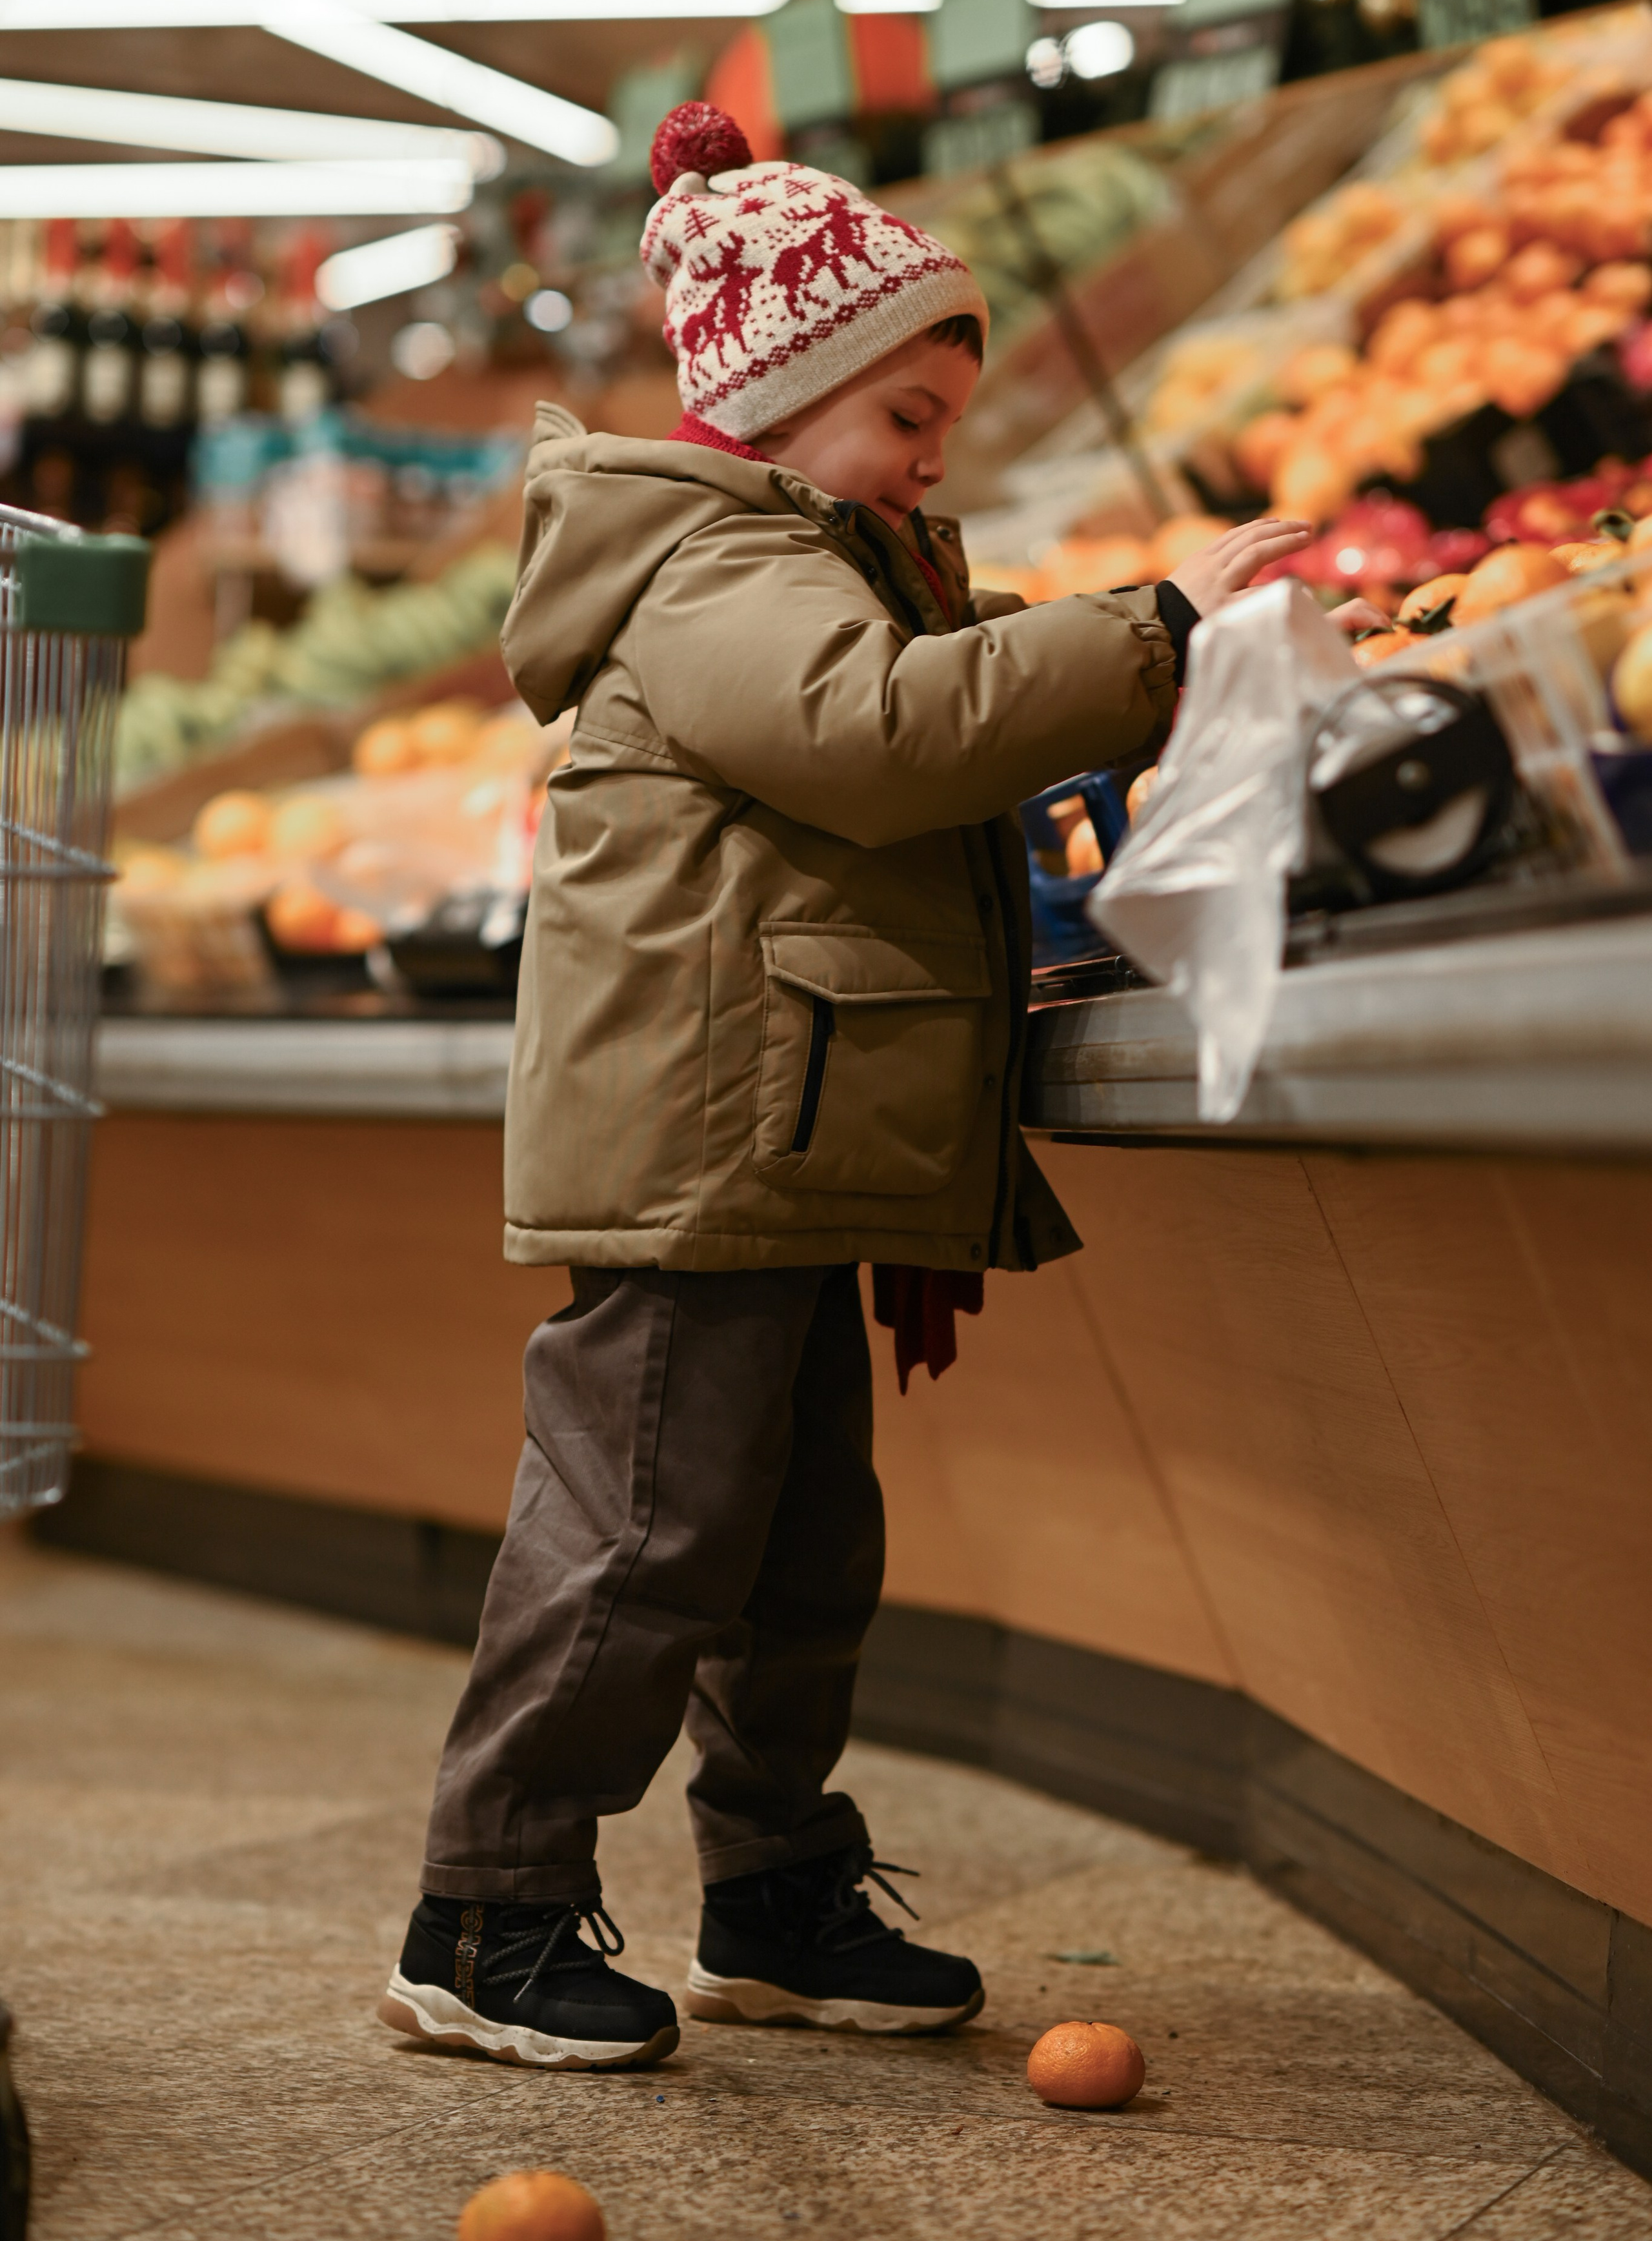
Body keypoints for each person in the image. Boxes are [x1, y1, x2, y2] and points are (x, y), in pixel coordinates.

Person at [378, 103, 1319, 2073]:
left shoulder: (813, 553)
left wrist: (1154, 644)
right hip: (698, 1145)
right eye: (904, 413)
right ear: (784, 398)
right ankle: (488, 1905)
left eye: (940, 420)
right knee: (643, 1536)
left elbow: (926, 692)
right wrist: (1155, 630)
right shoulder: (712, 564)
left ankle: (775, 1886)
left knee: (798, 1555)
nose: (930, 456)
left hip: (782, 1137)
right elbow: (879, 736)